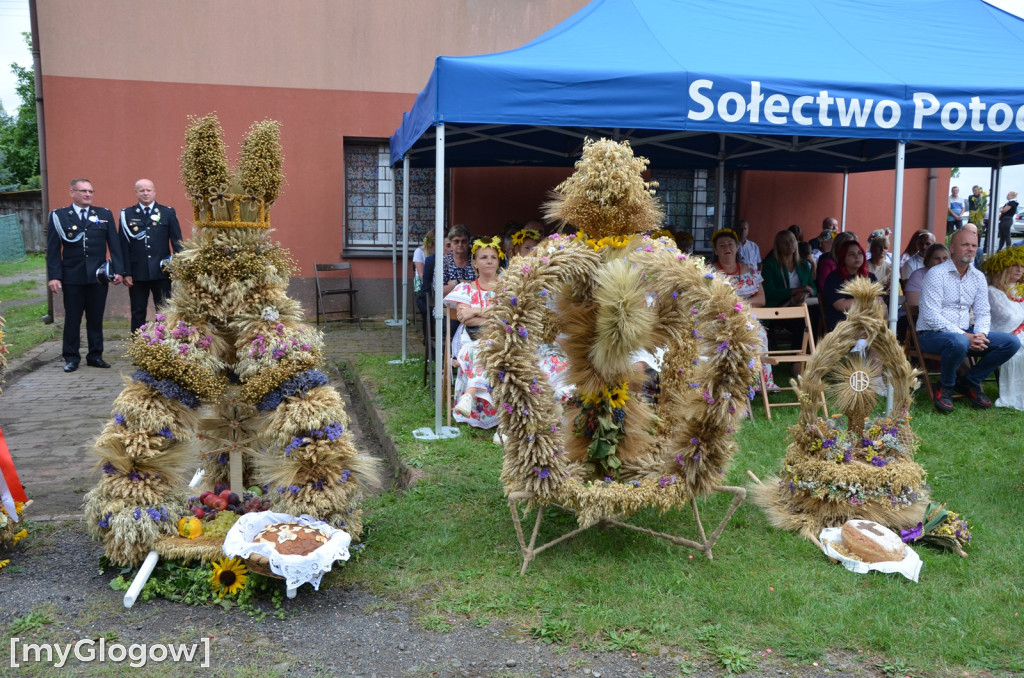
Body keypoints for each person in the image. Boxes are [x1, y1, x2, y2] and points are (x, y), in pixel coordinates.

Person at [916, 229, 1020, 413]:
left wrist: (979, 334)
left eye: (973, 245)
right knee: (959, 341)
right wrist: (965, 335)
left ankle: (970, 381)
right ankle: (946, 386)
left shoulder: (978, 277)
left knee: (1011, 342)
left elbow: (983, 312)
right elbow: (930, 315)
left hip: (966, 334)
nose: (970, 249)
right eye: (965, 245)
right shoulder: (936, 274)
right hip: (931, 335)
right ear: (952, 249)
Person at [46, 178, 125, 372]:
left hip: (97, 276)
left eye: (90, 191)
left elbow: (114, 245)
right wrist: (54, 277)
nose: (88, 194)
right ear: (72, 192)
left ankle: (95, 355)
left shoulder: (103, 214)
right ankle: (71, 357)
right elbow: (53, 250)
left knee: (96, 318)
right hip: (72, 276)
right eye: (83, 191)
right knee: (72, 318)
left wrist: (118, 270)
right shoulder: (60, 216)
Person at [447, 237, 503, 428]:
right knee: (480, 351)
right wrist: (493, 314)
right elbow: (465, 319)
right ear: (474, 263)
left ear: (498, 261)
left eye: (493, 257)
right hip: (471, 340)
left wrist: (477, 310)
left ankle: (469, 395)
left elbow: (509, 316)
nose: (489, 261)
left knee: (490, 349)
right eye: (484, 257)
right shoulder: (465, 289)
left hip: (502, 339)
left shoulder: (508, 289)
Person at [710, 228, 776, 389]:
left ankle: (760, 383)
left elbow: (762, 299)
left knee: (759, 333)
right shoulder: (710, 273)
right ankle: (729, 382)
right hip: (720, 318)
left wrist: (740, 305)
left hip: (747, 317)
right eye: (722, 245)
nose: (727, 248)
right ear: (716, 250)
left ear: (737, 247)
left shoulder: (750, 271)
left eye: (730, 244)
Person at [119, 179, 183, 333]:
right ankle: (137, 344)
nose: (145, 193)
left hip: (161, 271)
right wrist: (126, 272)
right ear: (136, 193)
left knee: (163, 310)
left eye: (148, 190)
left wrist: (178, 266)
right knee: (138, 311)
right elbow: (123, 245)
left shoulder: (167, 212)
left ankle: (164, 342)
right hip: (137, 273)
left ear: (154, 192)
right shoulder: (127, 214)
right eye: (141, 190)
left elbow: (177, 242)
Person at [983, 245, 1024, 410]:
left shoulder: (1019, 291)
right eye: (1015, 265)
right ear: (1003, 267)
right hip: (1005, 335)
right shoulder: (993, 292)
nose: (1019, 269)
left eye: (1022, 265)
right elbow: (1009, 318)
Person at [822, 240, 877, 333]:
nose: (857, 256)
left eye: (860, 253)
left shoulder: (870, 277)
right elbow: (840, 305)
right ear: (843, 258)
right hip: (843, 321)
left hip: (867, 320)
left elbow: (878, 302)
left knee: (882, 312)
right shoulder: (834, 278)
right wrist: (868, 302)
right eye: (851, 254)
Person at [899, 243, 949, 341]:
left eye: (945, 258)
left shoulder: (953, 277)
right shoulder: (918, 276)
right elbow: (914, 306)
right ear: (928, 260)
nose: (941, 262)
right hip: (918, 320)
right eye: (937, 258)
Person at [762, 229, 816, 309]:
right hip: (779, 306)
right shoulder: (770, 265)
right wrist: (796, 291)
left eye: (792, 241)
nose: (789, 244)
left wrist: (806, 294)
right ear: (778, 246)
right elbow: (769, 292)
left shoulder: (803, 264)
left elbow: (813, 288)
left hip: (802, 303)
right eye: (785, 242)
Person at [441, 224, 475, 296]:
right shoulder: (444, 261)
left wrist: (458, 282)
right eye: (456, 241)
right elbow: (440, 291)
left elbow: (481, 286)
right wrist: (469, 283)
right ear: (450, 242)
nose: (460, 244)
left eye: (464, 241)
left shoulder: (475, 260)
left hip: (473, 304)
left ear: (469, 241)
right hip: (448, 305)